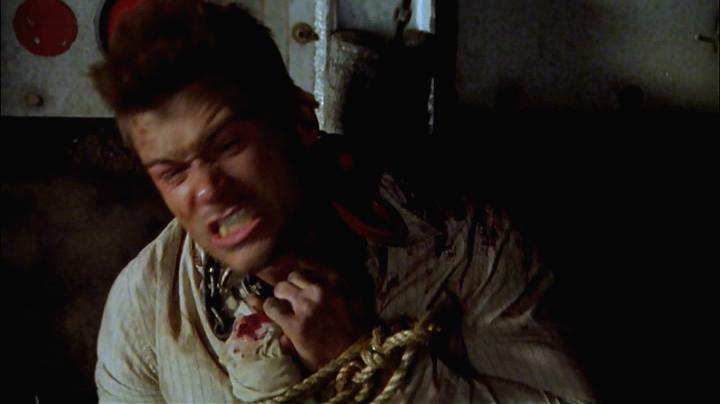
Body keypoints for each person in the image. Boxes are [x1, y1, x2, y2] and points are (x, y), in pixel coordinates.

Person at [92, 0, 595, 402]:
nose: (207, 190)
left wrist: (364, 362)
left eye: (228, 145)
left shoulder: (465, 250)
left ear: (300, 121)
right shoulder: (147, 304)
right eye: (173, 172)